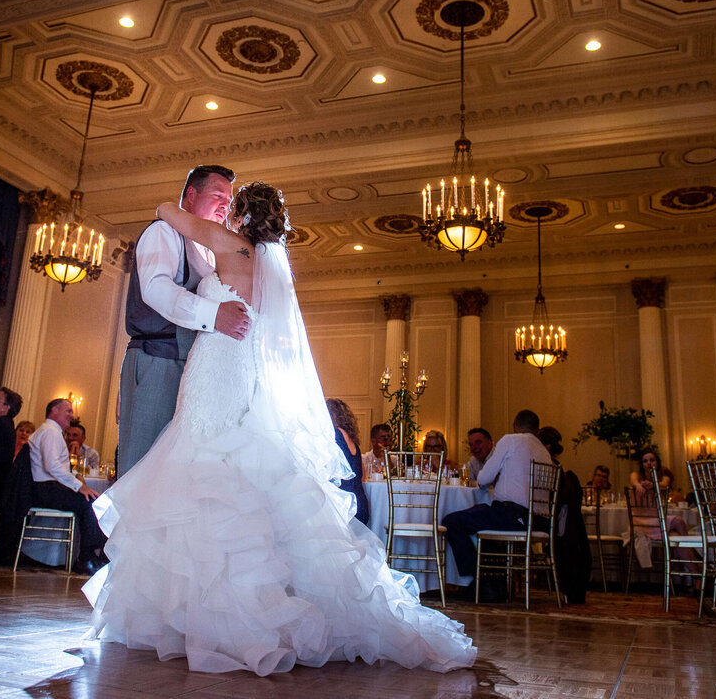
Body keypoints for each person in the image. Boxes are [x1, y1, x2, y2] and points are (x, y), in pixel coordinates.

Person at [84, 181, 474, 674]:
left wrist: (180, 205)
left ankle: (200, 611)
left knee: (202, 461)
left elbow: (174, 215)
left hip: (218, 363)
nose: (225, 213)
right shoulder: (269, 262)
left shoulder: (231, 244)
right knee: (232, 465)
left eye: (232, 205)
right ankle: (228, 603)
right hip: (245, 366)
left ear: (243, 215)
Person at [117, 164, 251, 476]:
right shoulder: (163, 232)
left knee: (176, 473)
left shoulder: (209, 249)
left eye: (228, 200)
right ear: (191, 195)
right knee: (144, 467)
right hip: (158, 361)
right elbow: (155, 288)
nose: (225, 205)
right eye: (217, 195)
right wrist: (215, 314)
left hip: (192, 369)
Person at [440, 409, 552, 603]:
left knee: (452, 521)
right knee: (484, 520)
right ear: (537, 429)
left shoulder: (511, 441)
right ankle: (495, 583)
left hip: (513, 516)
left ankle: (479, 581)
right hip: (540, 521)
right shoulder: (544, 451)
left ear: (515, 427)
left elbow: (484, 478)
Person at [30, 397, 108, 574]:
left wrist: (77, 478)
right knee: (89, 502)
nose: (72, 416)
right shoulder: (50, 431)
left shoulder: (52, 431)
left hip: (48, 487)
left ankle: (93, 553)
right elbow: (52, 466)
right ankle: (87, 557)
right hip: (45, 489)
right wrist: (79, 486)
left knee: (91, 500)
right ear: (54, 411)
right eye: (68, 411)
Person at [536, 426, 590, 604]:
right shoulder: (558, 468)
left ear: (547, 447)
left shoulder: (545, 468)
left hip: (544, 521)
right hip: (559, 524)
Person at [326, 398, 368, 525]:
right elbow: (362, 475)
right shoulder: (353, 442)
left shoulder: (336, 434)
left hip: (346, 504)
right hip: (360, 502)